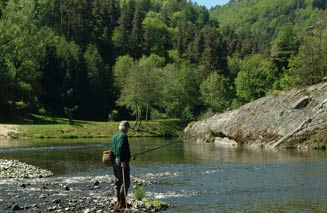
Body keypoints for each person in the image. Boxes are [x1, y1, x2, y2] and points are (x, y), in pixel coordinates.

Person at [111, 120, 131, 209]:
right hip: (121, 161)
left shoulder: (115, 135)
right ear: (125, 127)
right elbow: (120, 147)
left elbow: (115, 148)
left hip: (114, 160)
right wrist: (123, 160)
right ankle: (123, 203)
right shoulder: (123, 135)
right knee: (126, 182)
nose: (128, 130)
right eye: (128, 128)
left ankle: (118, 202)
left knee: (118, 181)